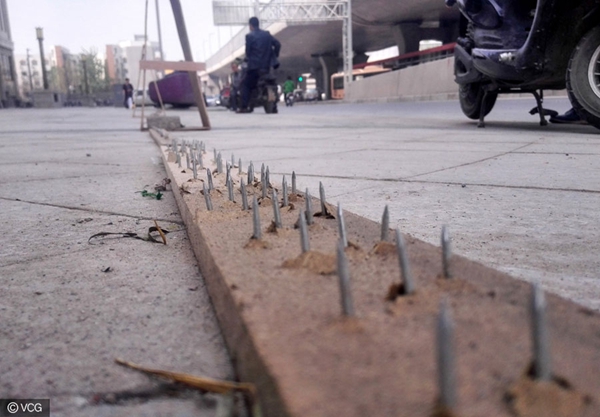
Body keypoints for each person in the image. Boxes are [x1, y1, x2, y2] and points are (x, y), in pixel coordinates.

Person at [238, 17, 281, 113]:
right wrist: (274, 55)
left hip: (254, 68)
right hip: (266, 67)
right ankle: (273, 104)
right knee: (272, 81)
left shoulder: (249, 36)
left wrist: (247, 59)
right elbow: (277, 44)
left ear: (250, 25)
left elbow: (248, 53)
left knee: (245, 84)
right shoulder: (267, 34)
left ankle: (244, 107)